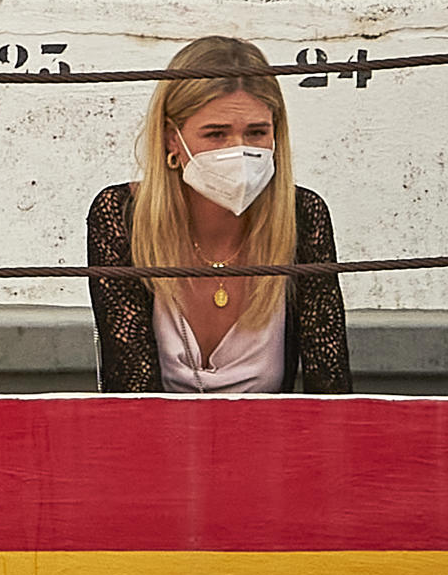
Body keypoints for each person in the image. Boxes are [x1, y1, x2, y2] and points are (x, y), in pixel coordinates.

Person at [87, 36, 351, 393]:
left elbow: (330, 386)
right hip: (158, 443)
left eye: (256, 132)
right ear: (171, 139)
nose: (239, 150)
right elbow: (132, 390)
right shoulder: (121, 216)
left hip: (271, 443)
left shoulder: (302, 216)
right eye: (216, 134)